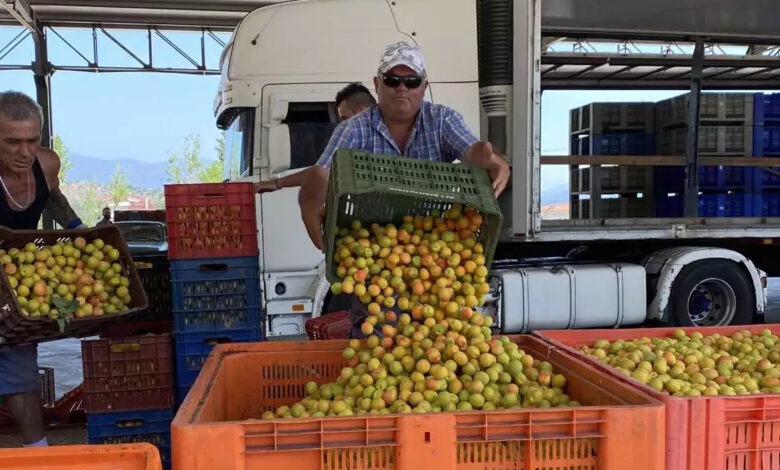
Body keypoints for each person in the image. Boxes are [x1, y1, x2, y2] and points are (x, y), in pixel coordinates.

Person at [298, 41, 511, 337]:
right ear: (377, 84)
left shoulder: (441, 120)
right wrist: (309, 202)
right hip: (375, 264)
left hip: (435, 264)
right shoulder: (354, 129)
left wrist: (493, 160)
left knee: (441, 340)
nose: (402, 88)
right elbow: (322, 172)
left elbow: (472, 150)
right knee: (377, 340)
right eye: (392, 79)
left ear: (423, 86)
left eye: (411, 81)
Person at [0, 91, 85, 447]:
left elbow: (52, 195)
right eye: (12, 142)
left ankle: (39, 453)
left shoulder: (46, 164)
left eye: (31, 141)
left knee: (20, 375)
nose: (24, 152)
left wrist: (78, 228)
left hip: (16, 285)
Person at [253, 83, 377, 194]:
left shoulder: (351, 130)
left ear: (362, 111)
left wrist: (277, 183)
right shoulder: (392, 128)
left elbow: (321, 172)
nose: (342, 125)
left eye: (344, 118)